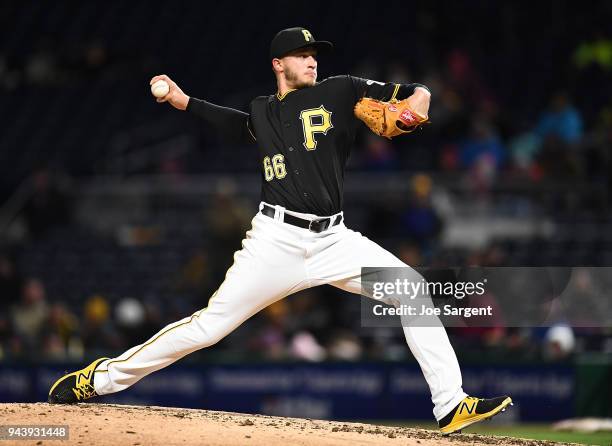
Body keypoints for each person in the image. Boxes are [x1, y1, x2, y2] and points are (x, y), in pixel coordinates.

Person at [48, 27, 511, 434]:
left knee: (411, 288)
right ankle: (99, 379)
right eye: (302, 53)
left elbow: (413, 92)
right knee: (208, 328)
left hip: (334, 240)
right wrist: (180, 99)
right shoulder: (263, 112)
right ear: (278, 64)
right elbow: (235, 125)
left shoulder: (341, 89)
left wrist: (416, 103)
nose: (312, 58)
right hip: (275, 241)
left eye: (315, 52)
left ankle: (451, 404)